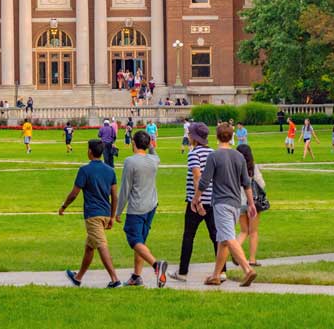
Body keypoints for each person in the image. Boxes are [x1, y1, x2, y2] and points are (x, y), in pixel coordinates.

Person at [192, 123, 257, 287]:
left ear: (217, 136)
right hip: (236, 203)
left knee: (228, 237)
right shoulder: (239, 156)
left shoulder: (214, 156)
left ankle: (247, 269)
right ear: (231, 136)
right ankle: (216, 275)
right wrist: (251, 203)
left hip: (221, 203)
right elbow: (246, 183)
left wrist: (196, 198)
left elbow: (204, 181)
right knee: (222, 240)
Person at [60, 139, 121, 289]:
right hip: (106, 214)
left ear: (90, 152)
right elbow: (114, 196)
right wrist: (112, 216)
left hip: (93, 215)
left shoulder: (85, 170)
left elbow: (74, 193)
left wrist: (64, 206)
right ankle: (78, 277)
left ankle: (115, 279)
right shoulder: (110, 170)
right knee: (89, 246)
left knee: (100, 244)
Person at [169, 123, 225, 283]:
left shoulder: (194, 154)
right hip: (213, 200)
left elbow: (197, 176)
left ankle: (183, 271)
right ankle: (222, 270)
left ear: (194, 137)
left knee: (189, 236)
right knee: (216, 235)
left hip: (197, 201)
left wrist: (197, 199)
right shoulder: (213, 153)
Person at [115, 130, 167, 288]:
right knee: (141, 241)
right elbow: (155, 154)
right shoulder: (153, 160)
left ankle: (156, 265)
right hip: (151, 205)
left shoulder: (130, 162)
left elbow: (125, 188)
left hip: (137, 207)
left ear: (134, 143)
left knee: (134, 240)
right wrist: (151, 146)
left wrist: (118, 211)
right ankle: (137, 276)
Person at [236, 144, 265, 267]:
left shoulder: (234, 167)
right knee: (253, 232)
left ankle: (235, 251)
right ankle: (252, 259)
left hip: (238, 202)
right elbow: (261, 184)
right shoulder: (252, 167)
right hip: (252, 202)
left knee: (243, 231)